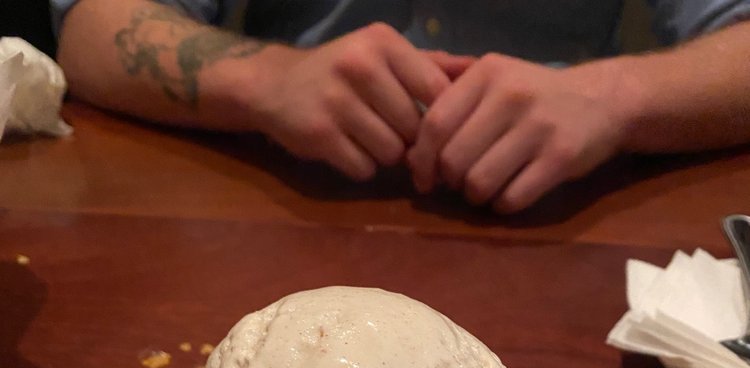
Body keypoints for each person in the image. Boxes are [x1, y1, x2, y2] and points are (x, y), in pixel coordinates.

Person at [51, 1, 750, 213]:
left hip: (567, 201)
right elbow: (92, 29)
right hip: (291, 190)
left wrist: (614, 97)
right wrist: (268, 79)